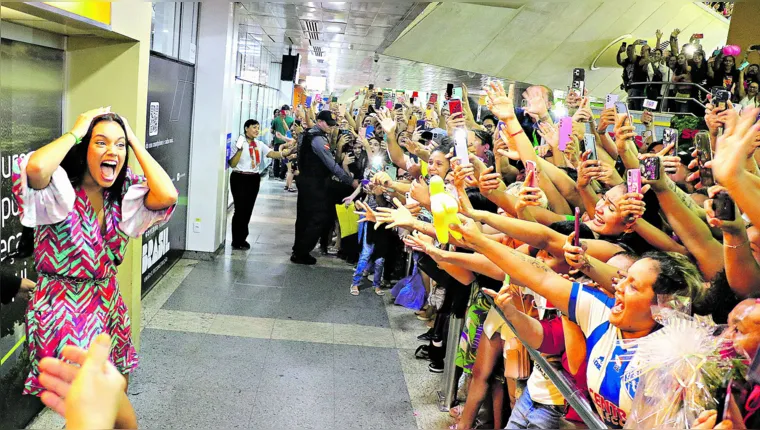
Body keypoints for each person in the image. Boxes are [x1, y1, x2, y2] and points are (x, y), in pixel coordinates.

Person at [12, 108, 177, 396]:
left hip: (107, 301)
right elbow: (36, 168)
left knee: (116, 389)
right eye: (100, 142)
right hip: (61, 305)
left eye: (119, 144)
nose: (112, 150)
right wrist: (77, 131)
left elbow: (167, 195)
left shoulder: (124, 192)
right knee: (82, 397)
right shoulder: (58, 189)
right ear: (84, 148)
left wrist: (134, 141)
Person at [291, 110, 358, 265]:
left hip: (304, 180)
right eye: (328, 124)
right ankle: (302, 251)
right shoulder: (319, 140)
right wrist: (349, 180)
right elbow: (331, 164)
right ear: (319, 121)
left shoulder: (306, 134)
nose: (331, 127)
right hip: (315, 183)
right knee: (318, 217)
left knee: (303, 217)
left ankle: (298, 249)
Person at [228, 119, 293, 250]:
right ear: (246, 128)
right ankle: (236, 240)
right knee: (239, 210)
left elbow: (271, 153)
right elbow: (232, 164)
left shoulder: (259, 143)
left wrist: (283, 153)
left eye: (258, 128)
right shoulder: (238, 142)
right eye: (254, 127)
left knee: (248, 210)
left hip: (254, 178)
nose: (257, 130)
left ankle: (243, 238)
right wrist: (239, 150)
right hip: (239, 177)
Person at [271, 105, 294, 180]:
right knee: (285, 158)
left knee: (276, 157)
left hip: (277, 141)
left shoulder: (276, 119)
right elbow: (291, 131)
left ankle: (276, 174)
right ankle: (282, 174)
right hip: (287, 142)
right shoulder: (291, 120)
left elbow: (272, 130)